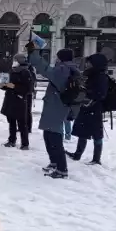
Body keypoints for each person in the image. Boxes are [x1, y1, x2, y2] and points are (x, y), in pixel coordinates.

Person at [27, 44, 80, 179]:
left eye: (57, 57)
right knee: (49, 135)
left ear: (61, 58)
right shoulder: (68, 68)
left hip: (57, 106)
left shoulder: (63, 69)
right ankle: (55, 162)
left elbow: (45, 70)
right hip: (56, 105)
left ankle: (62, 169)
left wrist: (34, 54)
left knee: (54, 138)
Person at [66, 53, 109, 165]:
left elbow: (101, 94)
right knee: (82, 131)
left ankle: (96, 159)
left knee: (96, 134)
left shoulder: (101, 76)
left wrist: (87, 92)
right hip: (86, 106)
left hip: (94, 108)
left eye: (90, 63)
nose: (87, 64)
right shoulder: (91, 74)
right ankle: (77, 154)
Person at [0, 53, 32, 150]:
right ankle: (12, 140)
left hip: (19, 100)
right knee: (11, 121)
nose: (14, 62)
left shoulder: (25, 72)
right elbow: (8, 84)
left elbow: (28, 88)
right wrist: (4, 85)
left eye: (15, 60)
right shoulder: (12, 70)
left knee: (22, 123)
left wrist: (14, 86)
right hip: (10, 99)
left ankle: (25, 143)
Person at [27, 63, 37, 133]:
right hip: (29, 93)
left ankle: (28, 127)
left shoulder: (30, 72)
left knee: (27, 111)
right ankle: (27, 127)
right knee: (27, 111)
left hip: (28, 93)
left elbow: (32, 83)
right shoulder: (31, 72)